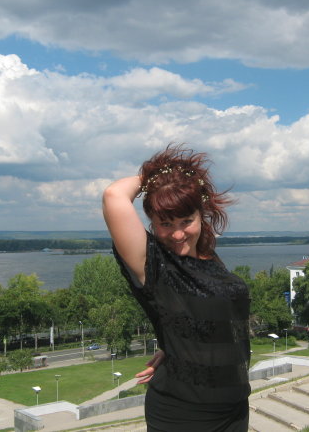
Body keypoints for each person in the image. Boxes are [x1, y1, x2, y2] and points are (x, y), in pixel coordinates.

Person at [102, 144, 251, 431]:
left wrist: (175, 346)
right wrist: (162, 178)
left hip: (235, 408)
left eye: (186, 221)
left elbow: (213, 320)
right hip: (183, 414)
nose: (179, 233)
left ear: (201, 216)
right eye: (166, 223)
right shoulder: (154, 265)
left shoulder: (209, 260)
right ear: (153, 224)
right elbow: (114, 195)